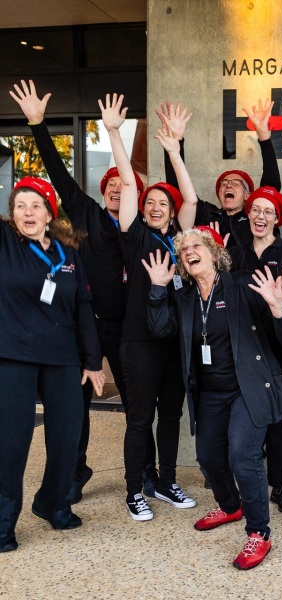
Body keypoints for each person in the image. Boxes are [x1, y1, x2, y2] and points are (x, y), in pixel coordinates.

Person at [9, 79, 141, 503]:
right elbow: (57, 172)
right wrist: (38, 125)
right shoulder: (83, 214)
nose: (118, 192)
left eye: (125, 188)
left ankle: (144, 476)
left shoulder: (135, 228)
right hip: (80, 329)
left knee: (136, 408)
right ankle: (74, 475)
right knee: (74, 411)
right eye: (112, 188)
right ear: (103, 194)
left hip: (121, 330)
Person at [144, 227, 282, 569]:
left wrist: (279, 307)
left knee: (242, 455)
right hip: (211, 392)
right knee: (208, 458)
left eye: (196, 245)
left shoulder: (243, 285)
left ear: (215, 254)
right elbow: (160, 330)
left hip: (248, 387)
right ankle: (231, 505)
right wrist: (158, 288)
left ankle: (259, 533)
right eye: (183, 249)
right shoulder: (185, 298)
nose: (189, 251)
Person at [100, 93, 197, 521]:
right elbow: (126, 179)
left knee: (172, 416)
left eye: (164, 205)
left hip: (173, 342)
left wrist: (175, 152)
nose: (157, 208)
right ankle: (134, 489)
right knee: (140, 420)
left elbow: (190, 201)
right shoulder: (134, 235)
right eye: (150, 203)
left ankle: (165, 481)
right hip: (138, 342)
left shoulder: (180, 242)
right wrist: (114, 132)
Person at [0, 177, 105, 553]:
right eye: (20, 206)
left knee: (66, 436)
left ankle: (53, 502)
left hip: (63, 357)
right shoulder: (5, 242)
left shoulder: (68, 252)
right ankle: (2, 520)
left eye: (35, 205)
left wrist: (93, 362)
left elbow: (82, 308)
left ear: (49, 212)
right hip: (13, 355)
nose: (27, 212)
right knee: (11, 442)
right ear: (12, 214)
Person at [229, 186, 282, 515]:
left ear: (277, 218)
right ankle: (247, 481)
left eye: (267, 211)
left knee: (277, 418)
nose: (260, 216)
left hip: (278, 343)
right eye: (255, 209)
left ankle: (279, 485)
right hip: (245, 346)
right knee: (249, 412)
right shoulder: (237, 252)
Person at [157, 99, 281, 249]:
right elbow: (178, 192)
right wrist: (175, 144)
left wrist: (264, 137)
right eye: (223, 184)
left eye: (236, 183)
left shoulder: (256, 217)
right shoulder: (208, 214)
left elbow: (271, 188)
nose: (228, 184)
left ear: (248, 195)